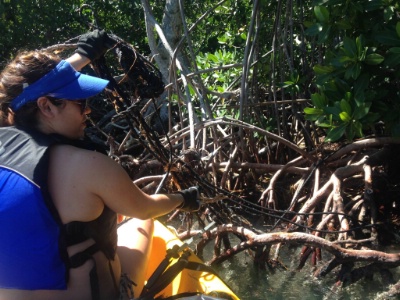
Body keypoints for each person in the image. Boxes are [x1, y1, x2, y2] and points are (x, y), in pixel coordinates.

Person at [0, 30, 200, 300]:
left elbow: (16, 97)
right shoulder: (88, 166)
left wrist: (81, 57)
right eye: (80, 102)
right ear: (46, 107)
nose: (89, 110)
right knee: (142, 222)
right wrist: (183, 199)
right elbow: (146, 208)